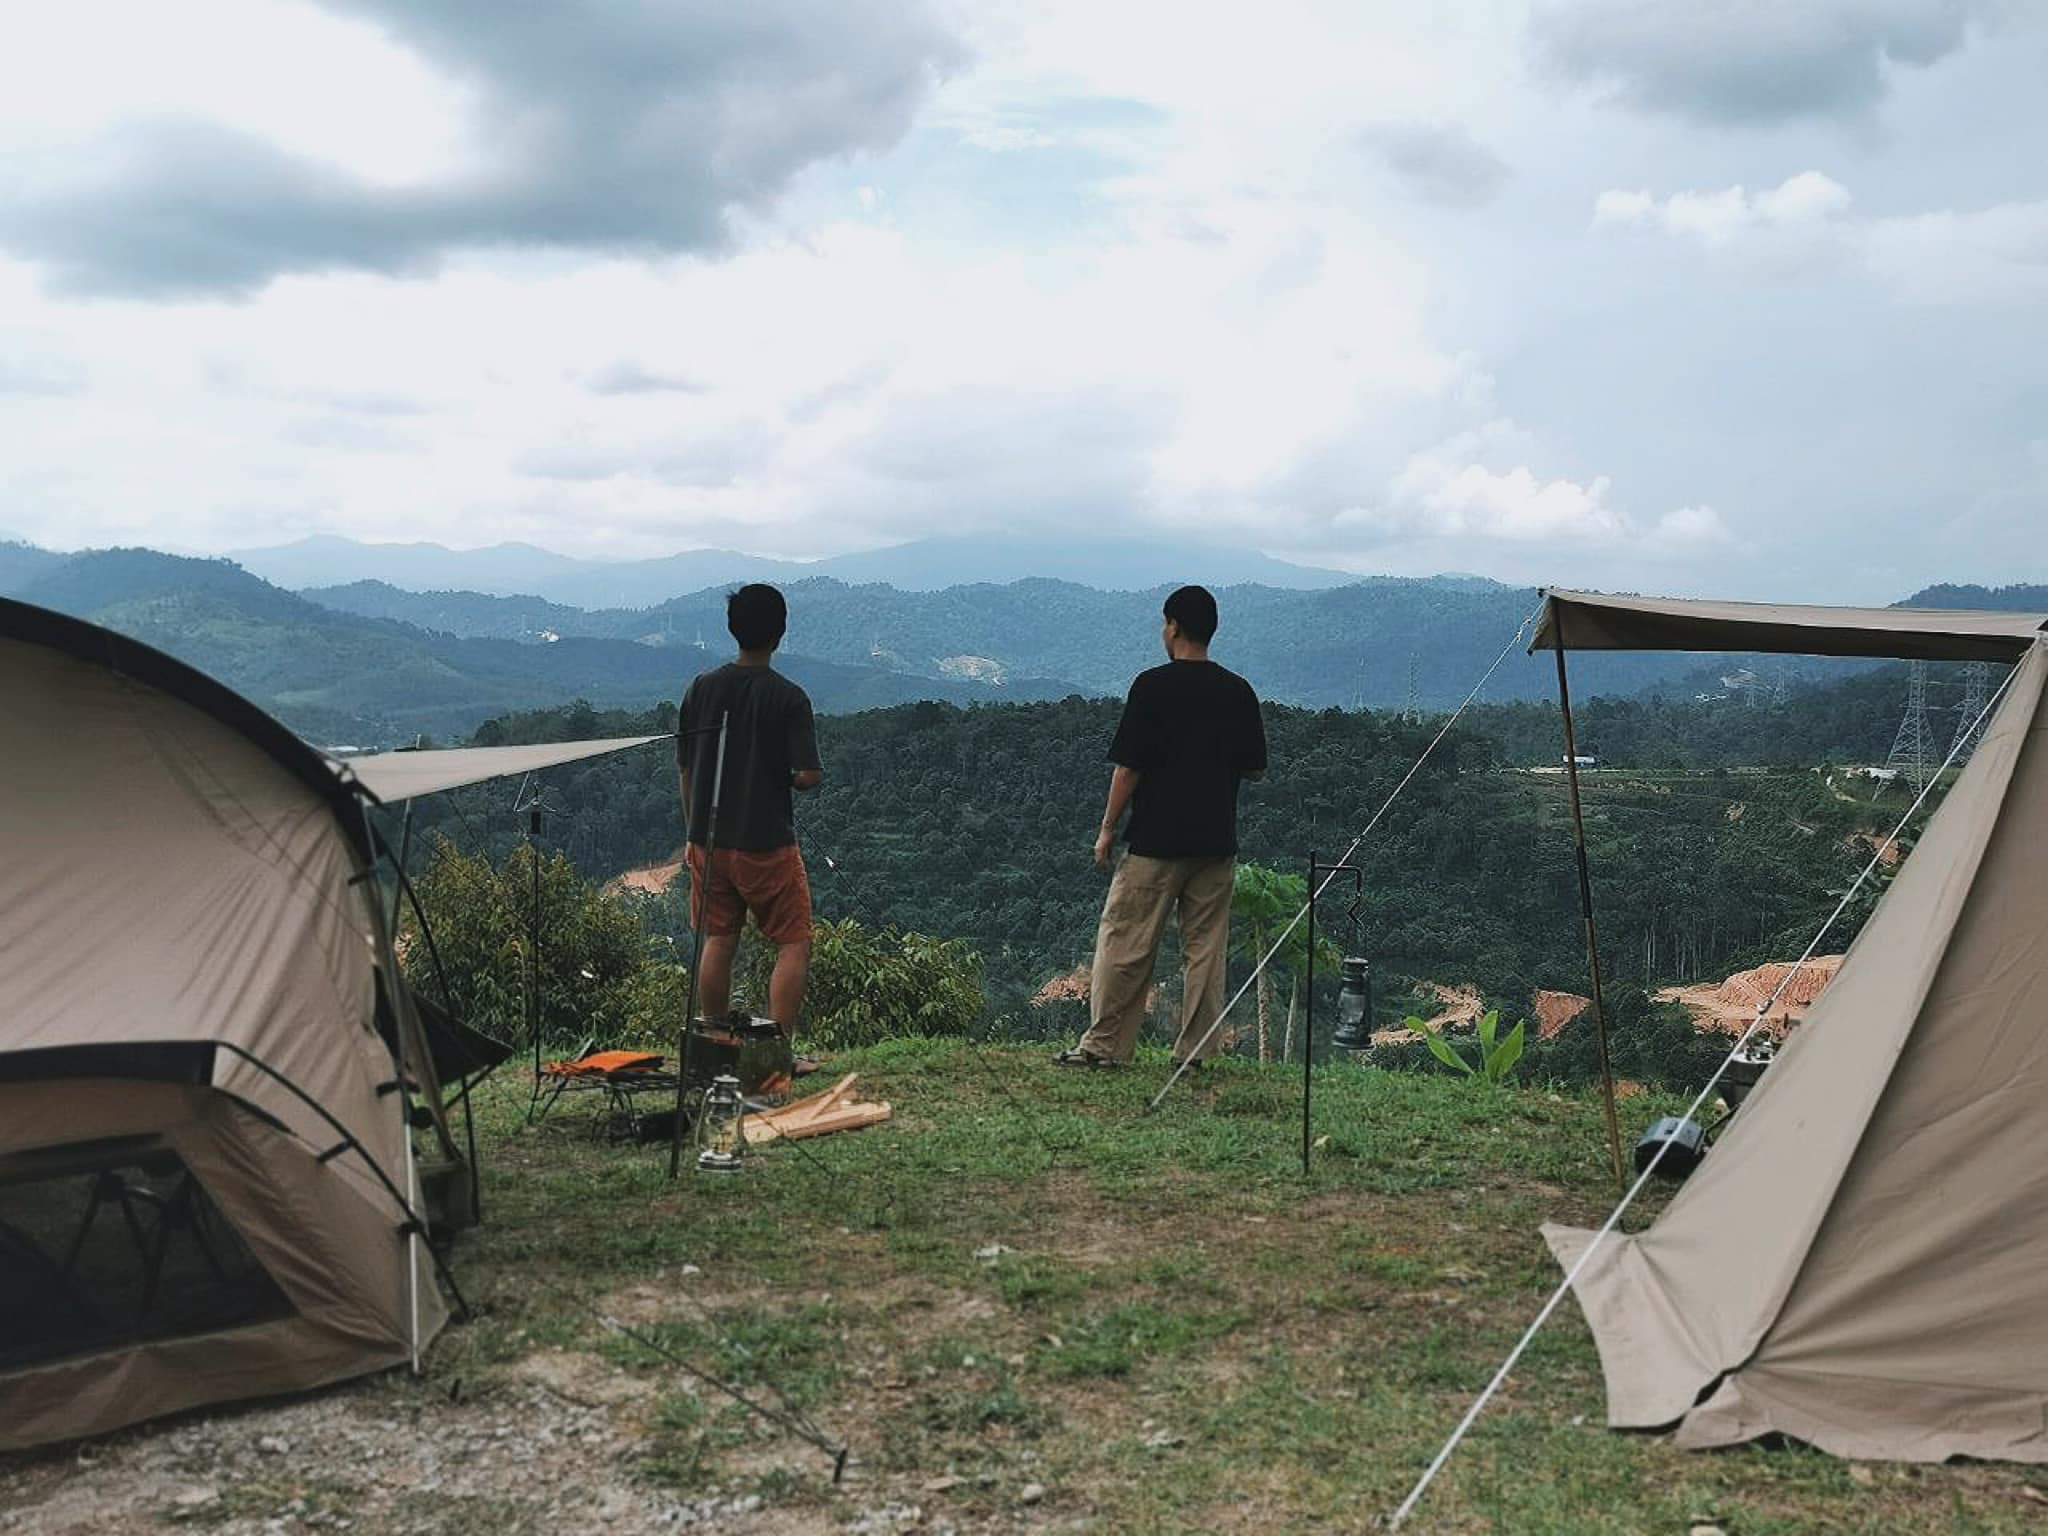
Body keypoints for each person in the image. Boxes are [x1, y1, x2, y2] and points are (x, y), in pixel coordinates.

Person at [1056, 585, 1266, 1070]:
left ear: (1173, 627)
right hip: (1215, 843)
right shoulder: (1238, 691)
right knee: (1205, 951)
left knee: (1126, 941)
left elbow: (1128, 769)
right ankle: (1194, 1055)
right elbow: (1255, 768)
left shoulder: (1152, 686)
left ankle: (1106, 1047)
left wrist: (1107, 829)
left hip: (1154, 841)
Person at [677, 584, 823, 1036]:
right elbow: (808, 775)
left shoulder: (701, 688)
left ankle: (715, 1041)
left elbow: (686, 768)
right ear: (780, 632)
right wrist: (786, 776)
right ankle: (777, 1049)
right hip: (766, 844)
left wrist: (692, 833)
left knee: (719, 940)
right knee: (794, 942)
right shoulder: (789, 697)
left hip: (708, 842)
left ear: (732, 629)